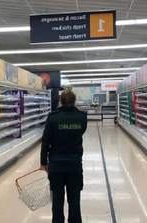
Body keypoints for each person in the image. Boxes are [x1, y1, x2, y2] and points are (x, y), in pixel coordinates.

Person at [40, 86, 88, 223]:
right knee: (74, 200)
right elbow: (80, 133)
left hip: (56, 164)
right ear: (74, 101)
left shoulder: (52, 118)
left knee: (57, 200)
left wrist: (43, 163)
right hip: (75, 164)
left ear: (60, 101)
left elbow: (45, 141)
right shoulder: (82, 118)